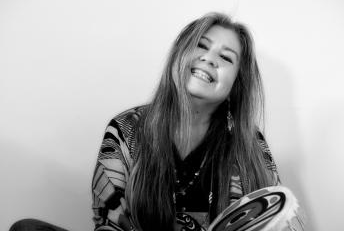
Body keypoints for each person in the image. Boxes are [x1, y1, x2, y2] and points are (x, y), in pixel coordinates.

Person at [91, 12, 281, 231]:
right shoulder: (126, 129)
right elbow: (108, 222)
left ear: (237, 83)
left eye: (226, 58)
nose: (209, 59)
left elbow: (279, 216)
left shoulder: (250, 144)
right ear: (178, 55)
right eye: (201, 45)